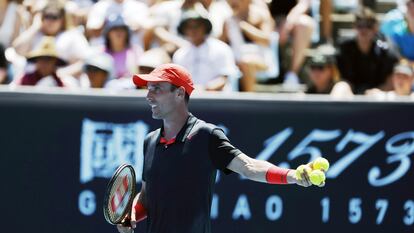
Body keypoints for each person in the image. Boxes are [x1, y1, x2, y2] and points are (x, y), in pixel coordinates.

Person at [116, 63, 325, 233]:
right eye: (148, 89)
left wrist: (293, 176)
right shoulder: (150, 141)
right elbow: (147, 197)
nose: (148, 96)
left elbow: (249, 167)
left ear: (179, 93)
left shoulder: (205, 135)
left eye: (157, 89)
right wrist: (132, 213)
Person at [173, 7, 239, 91]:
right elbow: (178, 82)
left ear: (205, 28)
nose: (193, 30)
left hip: (218, 99)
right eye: (189, 27)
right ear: (184, 30)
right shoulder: (180, 54)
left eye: (197, 26)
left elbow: (224, 79)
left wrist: (203, 89)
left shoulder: (221, 48)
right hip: (189, 99)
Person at [336, 7, 399, 94]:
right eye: (360, 26)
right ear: (354, 27)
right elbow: (342, 79)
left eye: (368, 26)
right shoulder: (345, 48)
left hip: (379, 94)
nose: (363, 30)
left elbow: (391, 82)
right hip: (351, 92)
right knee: (340, 87)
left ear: (375, 28)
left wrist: (376, 91)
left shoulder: (385, 49)